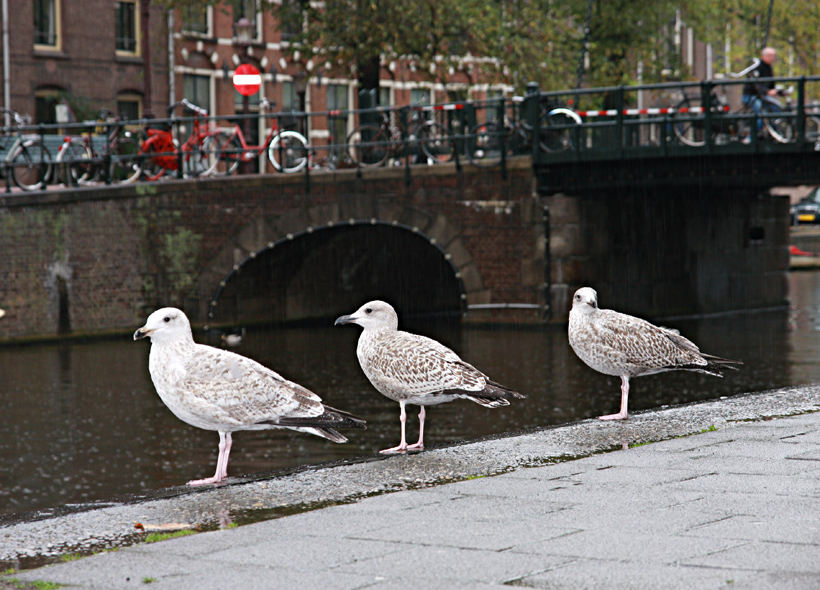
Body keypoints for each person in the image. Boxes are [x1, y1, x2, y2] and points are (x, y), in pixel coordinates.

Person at [742, 47, 781, 134]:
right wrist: (767, 91)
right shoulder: (757, 66)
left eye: (773, 56)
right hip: (751, 96)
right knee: (760, 113)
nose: (772, 58)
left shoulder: (769, 68)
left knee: (777, 107)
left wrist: (780, 92)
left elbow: (771, 84)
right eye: (770, 56)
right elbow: (754, 84)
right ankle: (751, 137)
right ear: (764, 56)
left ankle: (774, 132)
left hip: (762, 96)